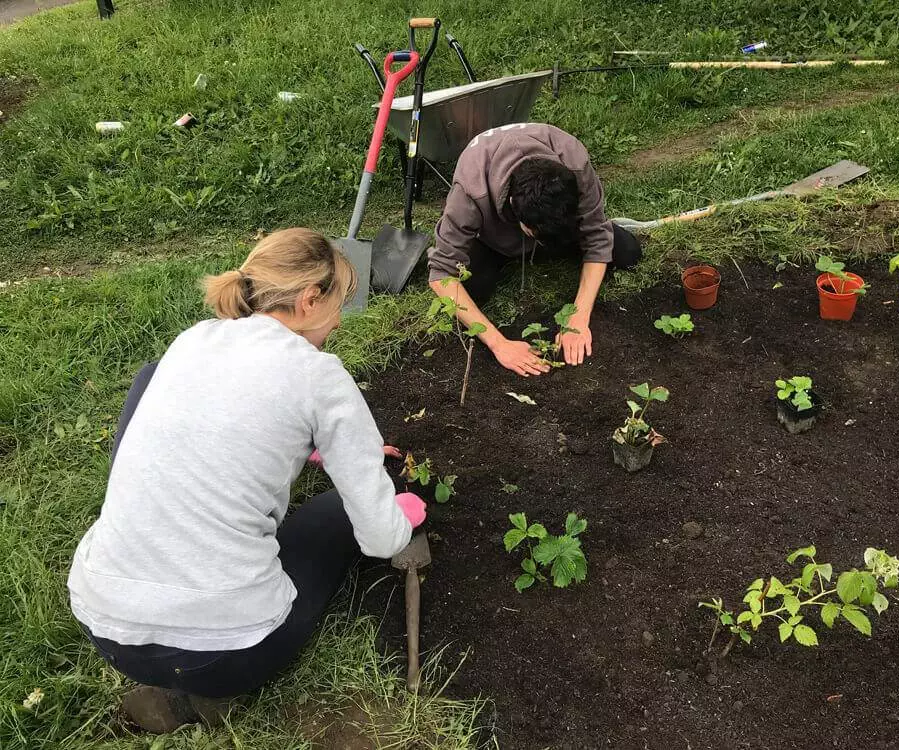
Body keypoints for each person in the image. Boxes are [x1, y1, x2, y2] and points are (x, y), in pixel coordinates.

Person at [67, 228, 426, 733]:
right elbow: (380, 537)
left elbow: (232, 416)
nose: (340, 320)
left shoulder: (193, 340)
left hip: (103, 623)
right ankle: (213, 698)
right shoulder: (320, 376)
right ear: (309, 300)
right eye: (340, 304)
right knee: (335, 513)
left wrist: (302, 441)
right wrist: (395, 504)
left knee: (150, 377)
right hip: (225, 653)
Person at [427, 123, 642, 376]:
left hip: (556, 227)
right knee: (474, 286)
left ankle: (553, 241)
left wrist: (579, 316)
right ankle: (511, 253)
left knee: (628, 253)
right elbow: (441, 275)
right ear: (512, 206)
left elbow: (596, 234)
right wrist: (500, 344)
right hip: (493, 240)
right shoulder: (471, 189)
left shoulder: (573, 160)